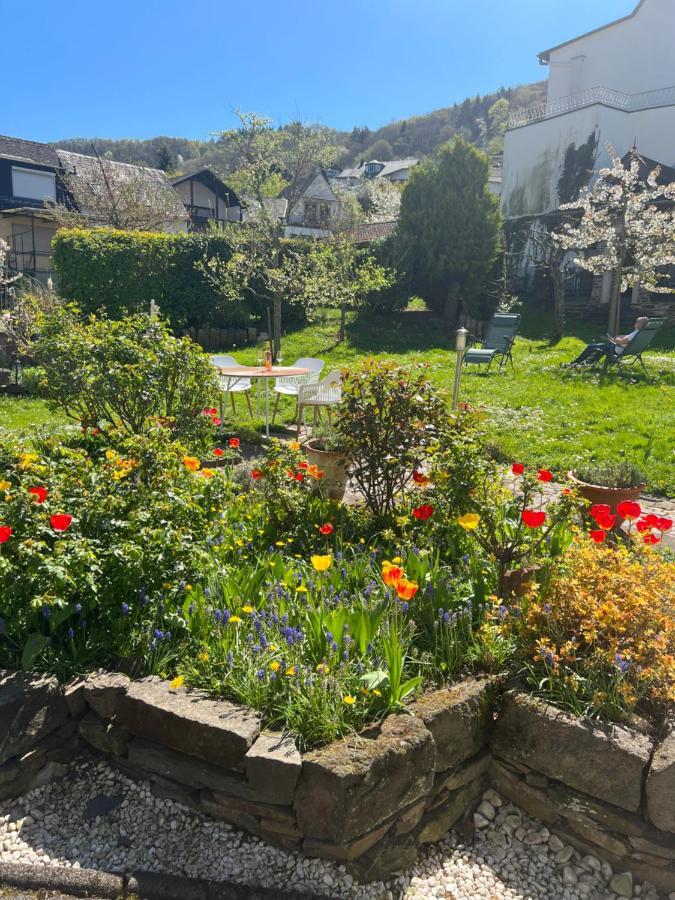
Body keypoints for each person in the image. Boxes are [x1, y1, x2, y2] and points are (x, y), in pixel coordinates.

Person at [563, 317, 648, 367]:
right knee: (601, 348)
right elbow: (628, 340)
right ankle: (588, 363)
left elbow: (622, 342)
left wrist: (614, 340)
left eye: (637, 322)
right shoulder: (642, 333)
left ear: (640, 324)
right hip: (628, 350)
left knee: (592, 346)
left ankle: (575, 363)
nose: (635, 324)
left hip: (618, 349)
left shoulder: (636, 333)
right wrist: (621, 337)